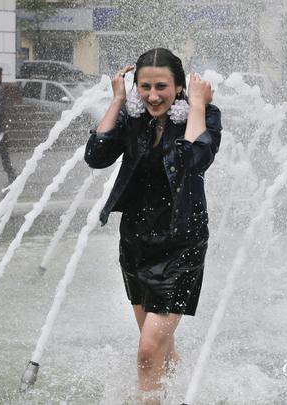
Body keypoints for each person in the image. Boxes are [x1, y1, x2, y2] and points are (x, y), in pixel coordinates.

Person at [84, 48, 222, 403]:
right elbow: (96, 156)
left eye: (161, 86)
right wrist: (117, 100)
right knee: (158, 344)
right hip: (136, 243)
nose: (152, 95)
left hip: (180, 245)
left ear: (179, 87)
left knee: (147, 349)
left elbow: (193, 159)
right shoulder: (133, 117)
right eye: (144, 86)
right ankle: (176, 394)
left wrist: (197, 106)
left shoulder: (203, 114)